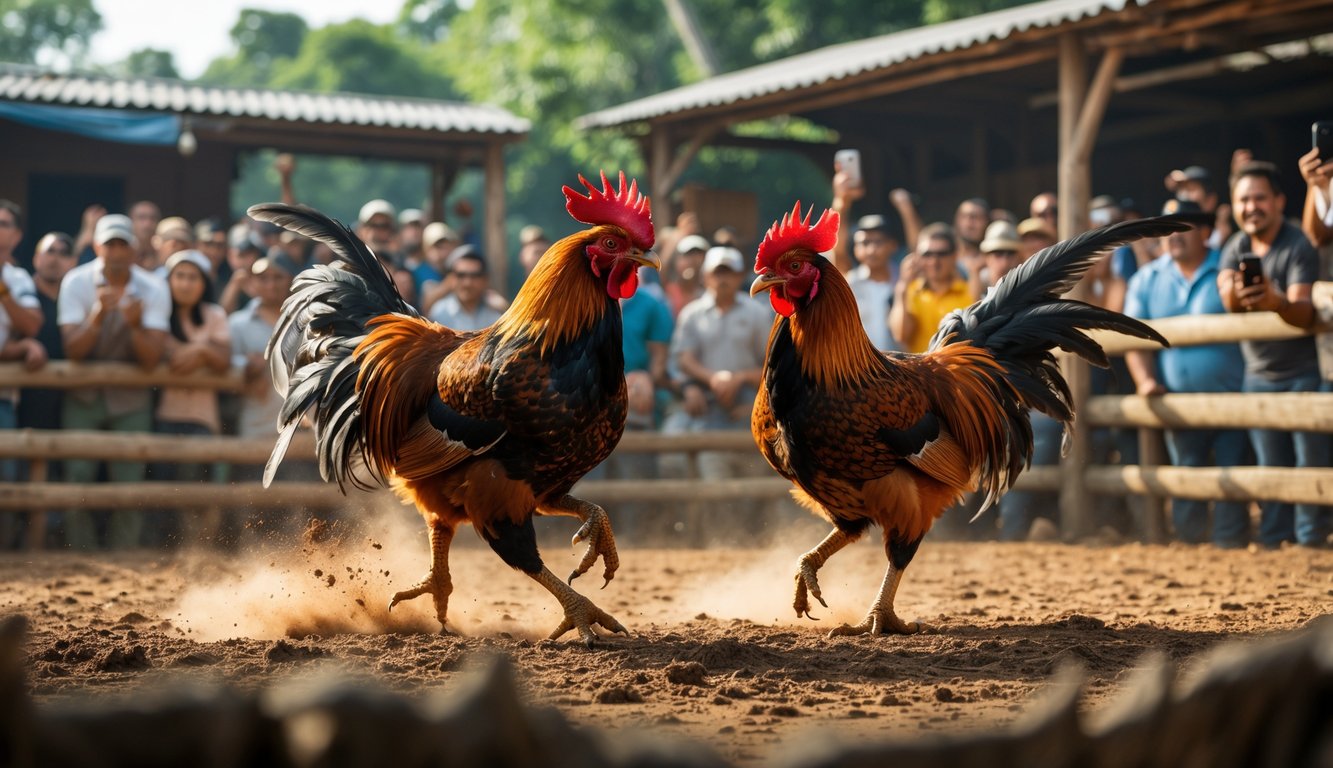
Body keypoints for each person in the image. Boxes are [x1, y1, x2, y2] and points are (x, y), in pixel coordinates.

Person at [1125, 200, 1249, 547]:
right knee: (1186, 471)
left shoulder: (1225, 269)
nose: (1173, 235)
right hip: (1177, 403)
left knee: (1233, 474)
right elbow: (1132, 338)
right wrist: (1145, 380)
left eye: (1184, 226)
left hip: (1232, 398)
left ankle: (1230, 544)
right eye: (1168, 228)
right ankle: (1191, 543)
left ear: (1206, 233)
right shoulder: (1146, 279)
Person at [1218, 161, 1329, 548]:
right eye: (1243, 199)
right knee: (1269, 466)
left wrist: (1274, 301)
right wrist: (1238, 293)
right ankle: (1272, 539)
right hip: (1258, 374)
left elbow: (1304, 310)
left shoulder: (1298, 243)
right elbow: (1226, 298)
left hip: (1304, 373)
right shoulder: (1235, 246)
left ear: (1280, 201)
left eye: (1259, 198)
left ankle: (1311, 542)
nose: (1251, 207)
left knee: (1309, 464)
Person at [58, 213, 170, 549]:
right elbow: (73, 351)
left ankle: (125, 551)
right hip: (84, 396)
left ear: (134, 249)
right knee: (77, 476)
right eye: (110, 244)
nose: (116, 251)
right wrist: (98, 316)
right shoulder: (75, 282)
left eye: (123, 244)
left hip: (131, 398)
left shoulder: (153, 286)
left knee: (130, 479)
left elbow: (151, 360)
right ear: (96, 246)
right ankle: (80, 550)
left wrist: (134, 326)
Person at [664, 245, 774, 543]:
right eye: (717, 272)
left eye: (729, 272)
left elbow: (770, 364)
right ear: (706, 277)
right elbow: (682, 358)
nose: (723, 279)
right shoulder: (692, 314)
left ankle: (751, 540)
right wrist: (713, 380)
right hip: (709, 411)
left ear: (740, 276)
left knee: (755, 482)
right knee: (713, 478)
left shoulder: (757, 313)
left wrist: (738, 380)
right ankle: (719, 541)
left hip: (751, 410)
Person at [149, 250, 231, 546]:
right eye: (179, 276)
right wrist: (204, 349)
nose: (185, 283)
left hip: (201, 418)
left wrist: (199, 351)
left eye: (192, 277)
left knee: (195, 489)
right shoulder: (156, 315)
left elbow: (223, 360)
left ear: (204, 283)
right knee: (162, 488)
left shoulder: (215, 315)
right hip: (163, 415)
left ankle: (195, 548)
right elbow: (163, 358)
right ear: (168, 280)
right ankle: (159, 548)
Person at [0, 202, 45, 547]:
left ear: (16, 234)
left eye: (3, 224)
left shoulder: (18, 278)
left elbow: (31, 324)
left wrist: (3, 290)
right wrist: (18, 348)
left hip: (4, 397)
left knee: (5, 482)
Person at [890, 224, 973, 354]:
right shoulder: (910, 291)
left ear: (955, 256)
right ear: (917, 257)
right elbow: (901, 335)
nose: (934, 261)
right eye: (927, 254)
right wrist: (903, 286)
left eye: (941, 254)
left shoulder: (970, 293)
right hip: (919, 373)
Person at [426, 247, 503, 331]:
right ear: (451, 278)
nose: (467, 283)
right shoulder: (439, 314)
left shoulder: (496, 314)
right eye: (461, 275)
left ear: (485, 280)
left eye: (474, 276)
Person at [415, 221, 462, 309]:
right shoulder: (419, 272)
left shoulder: (454, 268)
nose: (444, 252)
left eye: (447, 245)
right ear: (427, 249)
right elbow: (426, 304)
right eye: (438, 247)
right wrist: (450, 282)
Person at [662, 233, 709, 318]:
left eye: (699, 255)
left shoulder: (711, 294)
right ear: (677, 261)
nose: (693, 260)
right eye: (687, 255)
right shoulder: (666, 289)